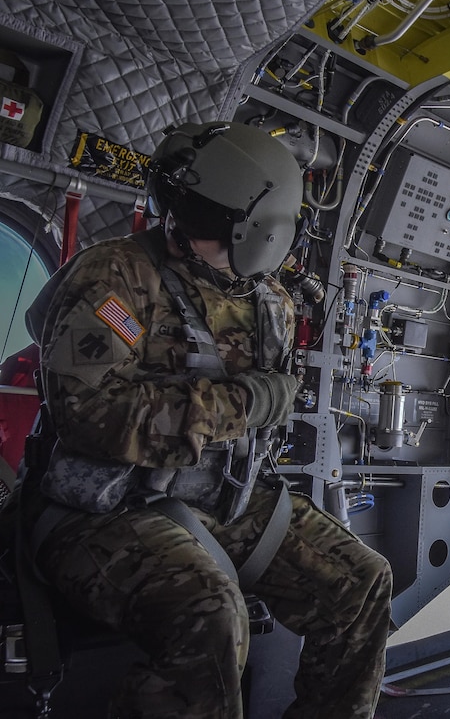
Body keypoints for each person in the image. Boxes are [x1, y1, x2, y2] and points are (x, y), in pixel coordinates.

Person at [20, 121, 392, 718]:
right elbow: (87, 416)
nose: (184, 236)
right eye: (186, 218)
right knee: (213, 613)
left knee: (362, 581)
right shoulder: (114, 279)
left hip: (223, 499)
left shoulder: (271, 301)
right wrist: (241, 405)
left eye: (207, 230)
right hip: (102, 511)